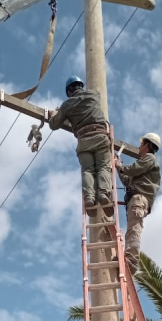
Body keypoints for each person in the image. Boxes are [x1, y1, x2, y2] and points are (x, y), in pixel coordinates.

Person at [48, 76, 113, 217]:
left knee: (88, 171)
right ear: (80, 86)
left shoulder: (67, 105)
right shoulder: (94, 95)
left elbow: (54, 125)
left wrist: (54, 114)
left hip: (84, 139)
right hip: (100, 136)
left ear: (69, 91)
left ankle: (90, 198)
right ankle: (103, 194)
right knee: (103, 167)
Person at [114, 133, 161, 274]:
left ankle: (131, 261)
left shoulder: (149, 158)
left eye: (141, 144)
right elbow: (127, 180)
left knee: (134, 229)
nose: (139, 147)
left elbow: (134, 168)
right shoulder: (143, 167)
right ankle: (129, 258)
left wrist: (121, 166)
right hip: (136, 198)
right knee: (132, 229)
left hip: (140, 198)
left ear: (147, 145)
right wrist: (119, 167)